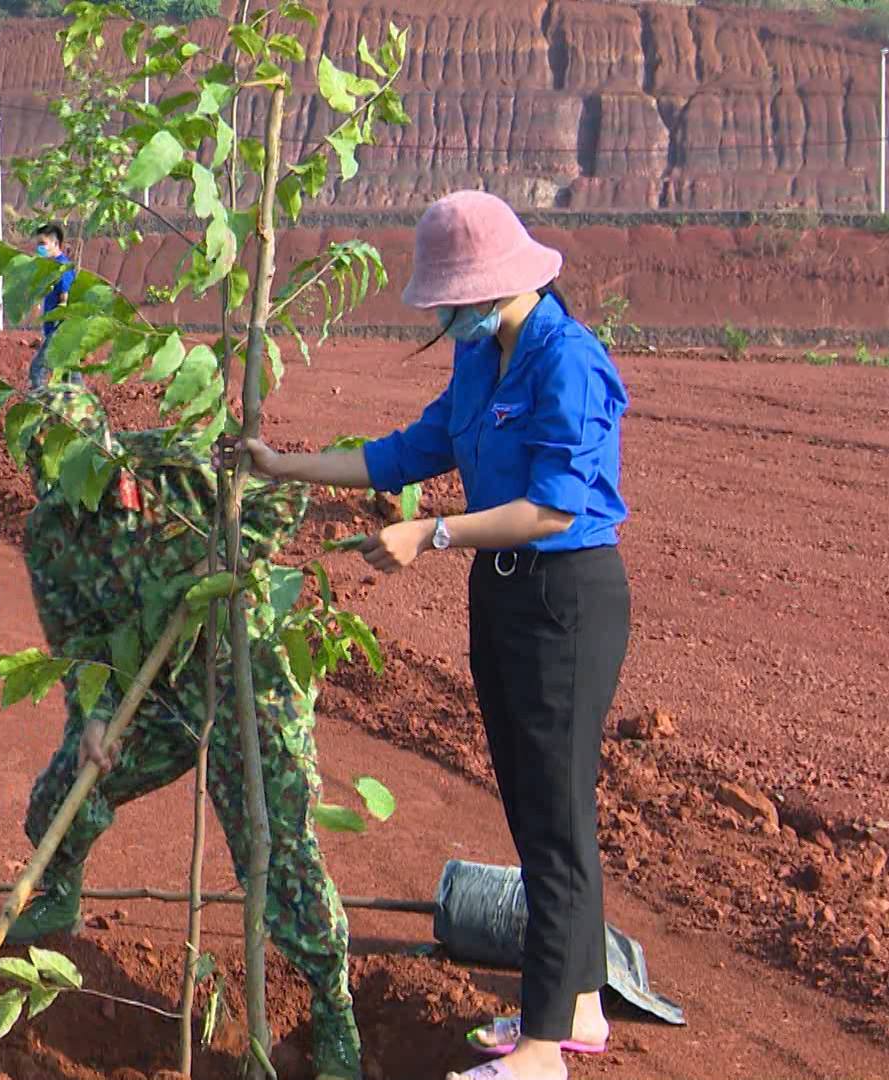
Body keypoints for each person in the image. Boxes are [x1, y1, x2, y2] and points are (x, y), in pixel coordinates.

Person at [239, 191, 630, 1080]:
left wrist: (431, 533)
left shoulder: (567, 362)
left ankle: (539, 1054)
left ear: (490, 286)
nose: (444, 317)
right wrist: (285, 464)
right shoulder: (484, 361)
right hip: (503, 598)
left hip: (566, 597)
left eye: (450, 302)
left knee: (559, 815)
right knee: (539, 809)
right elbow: (404, 454)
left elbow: (551, 508)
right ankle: (579, 1009)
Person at [8, 384, 362, 1080]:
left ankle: (332, 1007)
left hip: (245, 680)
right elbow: (78, 640)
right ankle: (57, 896)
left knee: (277, 846)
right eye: (55, 483)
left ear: (107, 454)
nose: (78, 500)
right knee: (65, 793)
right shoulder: (48, 534)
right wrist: (97, 717)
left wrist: (221, 563)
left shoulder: (176, 468)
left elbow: (281, 495)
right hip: (156, 694)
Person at [27, 222, 78, 392]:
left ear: (55, 244)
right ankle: (74, 409)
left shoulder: (62, 268)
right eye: (38, 244)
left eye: (43, 244)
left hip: (59, 330)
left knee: (37, 371)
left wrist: (57, 327)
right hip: (58, 331)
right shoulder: (52, 267)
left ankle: (40, 406)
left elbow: (65, 299)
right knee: (69, 375)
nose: (39, 248)